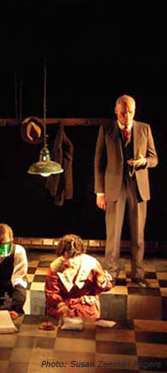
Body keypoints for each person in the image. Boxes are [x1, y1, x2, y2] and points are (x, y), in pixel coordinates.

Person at [94, 95, 158, 287]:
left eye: (130, 112)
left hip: (138, 188)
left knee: (138, 236)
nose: (127, 116)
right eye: (123, 112)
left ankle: (138, 275)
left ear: (134, 110)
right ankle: (111, 274)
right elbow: (99, 163)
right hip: (114, 188)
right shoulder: (106, 129)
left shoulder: (144, 129)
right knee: (113, 236)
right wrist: (100, 192)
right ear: (116, 111)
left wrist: (144, 162)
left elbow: (154, 158)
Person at [45, 234, 113, 319]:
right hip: (63, 305)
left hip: (85, 307)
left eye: (74, 258)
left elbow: (102, 287)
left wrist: (102, 283)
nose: (70, 262)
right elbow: (51, 292)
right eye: (67, 257)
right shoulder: (55, 267)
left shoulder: (91, 264)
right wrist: (60, 304)